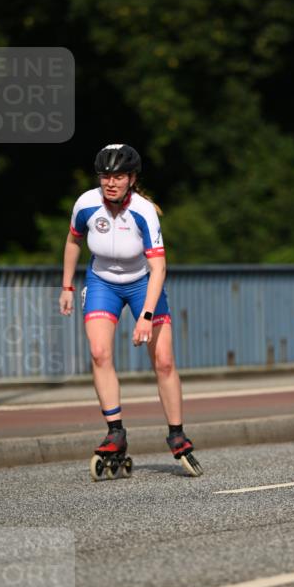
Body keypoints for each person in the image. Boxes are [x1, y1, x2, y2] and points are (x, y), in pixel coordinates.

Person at [59, 143, 202, 477]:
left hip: (142, 284)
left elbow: (159, 268)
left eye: (119, 176)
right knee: (98, 353)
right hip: (102, 283)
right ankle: (115, 432)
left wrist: (146, 315)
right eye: (105, 176)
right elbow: (72, 242)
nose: (110, 182)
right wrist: (66, 286)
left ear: (132, 178)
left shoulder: (144, 211)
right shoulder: (86, 204)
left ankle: (177, 433)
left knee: (164, 361)